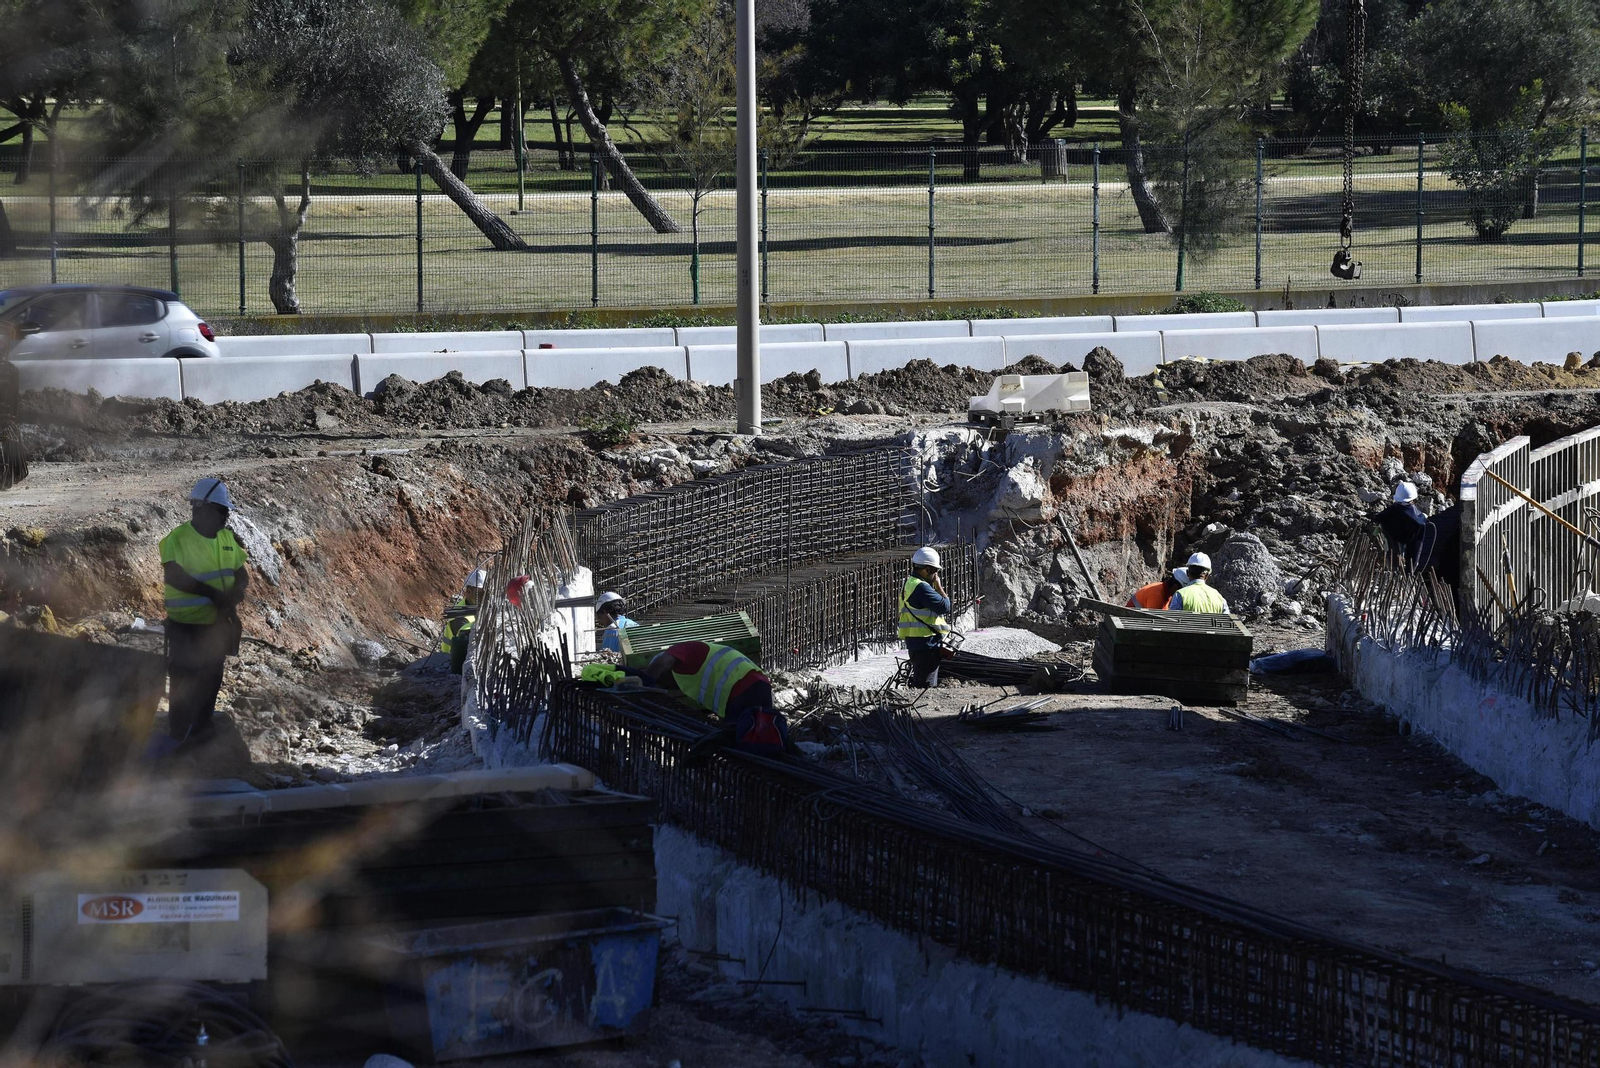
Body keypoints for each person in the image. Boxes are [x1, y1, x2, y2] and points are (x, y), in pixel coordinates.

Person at [160, 478, 250, 746]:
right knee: (183, 677)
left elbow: (241, 574)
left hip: (215, 625)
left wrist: (235, 594)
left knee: (211, 676)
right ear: (203, 508)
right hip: (185, 626)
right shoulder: (177, 539)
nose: (226, 516)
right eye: (222, 510)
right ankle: (179, 732)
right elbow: (174, 577)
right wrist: (212, 595)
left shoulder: (226, 539)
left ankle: (201, 728)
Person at [636, 640, 793, 755]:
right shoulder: (686, 680)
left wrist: (645, 683)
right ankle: (793, 757)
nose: (666, 687)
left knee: (740, 742)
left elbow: (662, 661)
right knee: (762, 737)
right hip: (757, 685)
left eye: (662, 681)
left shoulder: (680, 651)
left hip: (742, 685)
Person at [898, 546, 952, 687]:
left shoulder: (909, 582)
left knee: (921, 682)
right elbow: (945, 606)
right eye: (935, 571)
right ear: (927, 569)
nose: (936, 575)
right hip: (926, 645)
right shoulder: (921, 587)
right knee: (925, 687)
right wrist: (939, 587)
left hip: (916, 642)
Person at [1374, 481, 1428, 571]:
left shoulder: (1387, 514)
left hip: (1389, 557)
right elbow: (1417, 546)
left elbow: (1377, 521)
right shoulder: (1419, 520)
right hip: (1407, 560)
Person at [439, 569, 485, 674]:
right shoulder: (458, 616)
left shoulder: (477, 607)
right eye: (480, 593)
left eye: (485, 593)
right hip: (452, 663)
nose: (483, 597)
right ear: (469, 591)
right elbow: (466, 637)